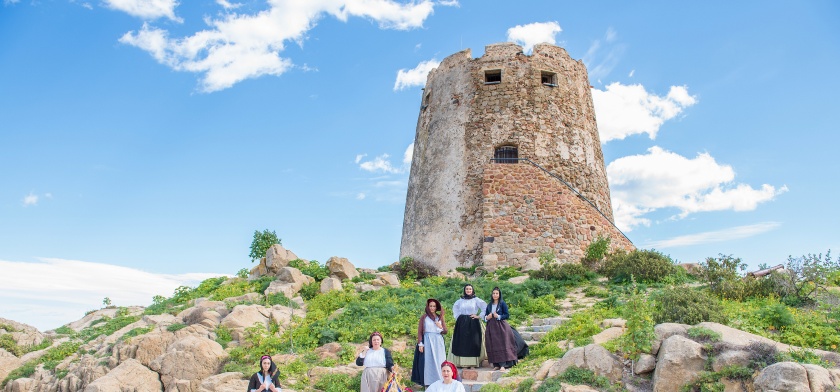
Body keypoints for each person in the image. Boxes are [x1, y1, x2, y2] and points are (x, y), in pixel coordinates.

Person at [448, 284, 487, 369]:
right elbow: (455, 309)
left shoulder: (476, 300)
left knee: (473, 342)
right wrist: (459, 318)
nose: (468, 290)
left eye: (470, 289)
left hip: (473, 322)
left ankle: (473, 363)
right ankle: (462, 363)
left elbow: (485, 307)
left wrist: (479, 316)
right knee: (462, 342)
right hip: (462, 323)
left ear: (472, 290)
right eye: (467, 289)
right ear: (464, 290)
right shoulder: (460, 301)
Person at [484, 287, 518, 371]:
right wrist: (487, 317)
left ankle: (503, 365)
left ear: (499, 295)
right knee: (493, 345)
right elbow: (485, 315)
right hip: (491, 326)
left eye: (497, 293)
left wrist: (498, 316)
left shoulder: (502, 303)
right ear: (492, 295)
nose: (495, 295)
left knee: (502, 344)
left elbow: (507, 315)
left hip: (501, 327)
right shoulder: (489, 305)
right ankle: (496, 364)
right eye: (494, 293)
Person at [415, 298, 447, 386]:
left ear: (436, 307)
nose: (432, 308)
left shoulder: (439, 317)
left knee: (439, 360)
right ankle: (429, 382)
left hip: (438, 341)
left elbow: (445, 331)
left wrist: (440, 326)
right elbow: (420, 331)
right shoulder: (424, 317)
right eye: (430, 306)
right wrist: (420, 343)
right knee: (428, 361)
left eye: (434, 306)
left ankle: (440, 380)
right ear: (428, 307)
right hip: (428, 340)